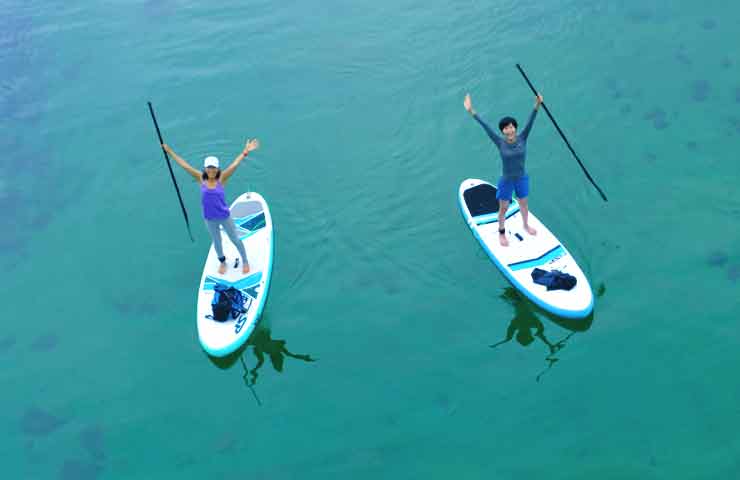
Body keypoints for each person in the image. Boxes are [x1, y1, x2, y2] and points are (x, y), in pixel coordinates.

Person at [162, 139, 260, 275]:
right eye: (209, 167)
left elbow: (235, 164)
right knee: (217, 242)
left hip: (224, 217)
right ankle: (223, 262)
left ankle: (245, 261)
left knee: (235, 239)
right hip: (209, 219)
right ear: (205, 168)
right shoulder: (200, 178)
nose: (211, 170)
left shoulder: (223, 178)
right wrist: (170, 151)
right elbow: (185, 165)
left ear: (218, 168)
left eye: (213, 167)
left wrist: (246, 151)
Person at [464, 92, 543, 246]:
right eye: (506, 128)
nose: (510, 130)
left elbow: (531, 121)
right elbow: (485, 126)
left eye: (512, 126)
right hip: (506, 181)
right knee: (503, 208)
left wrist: (537, 104)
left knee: (524, 204)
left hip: (521, 178)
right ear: (503, 131)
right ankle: (501, 232)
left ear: (515, 128)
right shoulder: (500, 142)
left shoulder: (523, 138)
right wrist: (471, 111)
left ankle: (526, 225)